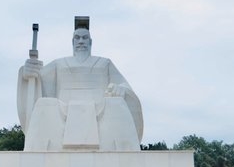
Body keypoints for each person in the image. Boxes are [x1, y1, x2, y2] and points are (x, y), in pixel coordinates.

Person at [17, 17, 143, 151]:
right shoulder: (59, 64)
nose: (81, 41)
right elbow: (37, 81)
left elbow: (124, 85)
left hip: (102, 114)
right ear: (72, 42)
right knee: (44, 105)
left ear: (91, 42)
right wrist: (27, 72)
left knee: (117, 105)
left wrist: (121, 89)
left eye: (84, 38)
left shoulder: (104, 63)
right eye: (77, 38)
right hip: (61, 115)